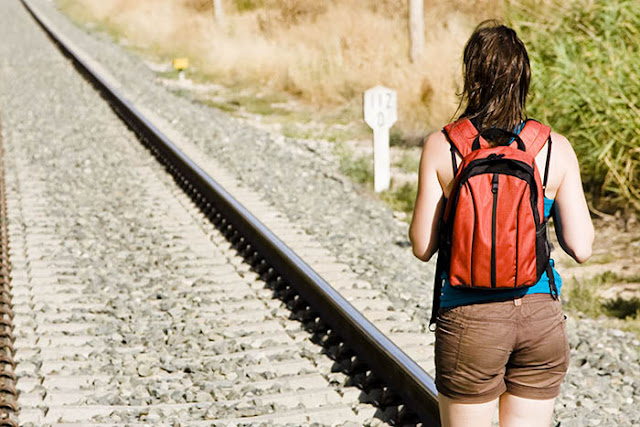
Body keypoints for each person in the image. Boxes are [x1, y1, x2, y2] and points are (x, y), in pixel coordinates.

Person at [409, 21, 594, 427]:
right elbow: (581, 248)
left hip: (469, 320)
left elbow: (422, 247)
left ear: (471, 77)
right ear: (523, 78)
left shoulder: (443, 146)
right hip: (539, 318)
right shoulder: (553, 148)